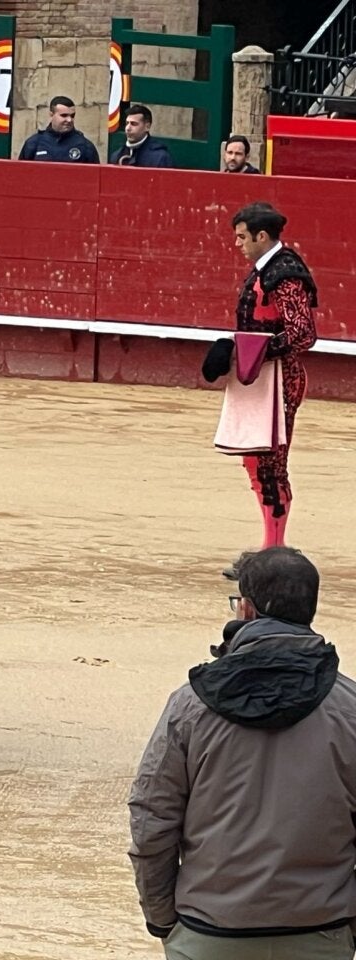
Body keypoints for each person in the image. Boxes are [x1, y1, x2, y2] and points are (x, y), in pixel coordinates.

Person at [128, 547, 356, 960]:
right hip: (319, 933)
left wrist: (162, 919)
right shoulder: (350, 708)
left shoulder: (190, 705)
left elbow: (152, 819)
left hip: (208, 933)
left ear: (246, 609)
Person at [202, 202, 318, 580]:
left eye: (241, 236)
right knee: (255, 461)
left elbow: (303, 333)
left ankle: (274, 550)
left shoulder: (284, 274)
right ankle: (271, 545)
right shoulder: (267, 268)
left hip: (278, 378)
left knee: (270, 465)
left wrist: (254, 350)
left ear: (261, 236)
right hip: (260, 376)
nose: (237, 243)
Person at [17, 96, 101, 164]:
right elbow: (21, 176)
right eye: (64, 115)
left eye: (72, 116)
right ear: (51, 114)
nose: (69, 120)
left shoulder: (85, 146)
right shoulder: (34, 143)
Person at [110, 104, 174, 168]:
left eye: (134, 124)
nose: (128, 128)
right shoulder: (117, 155)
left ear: (147, 127)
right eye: (127, 123)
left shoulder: (160, 158)